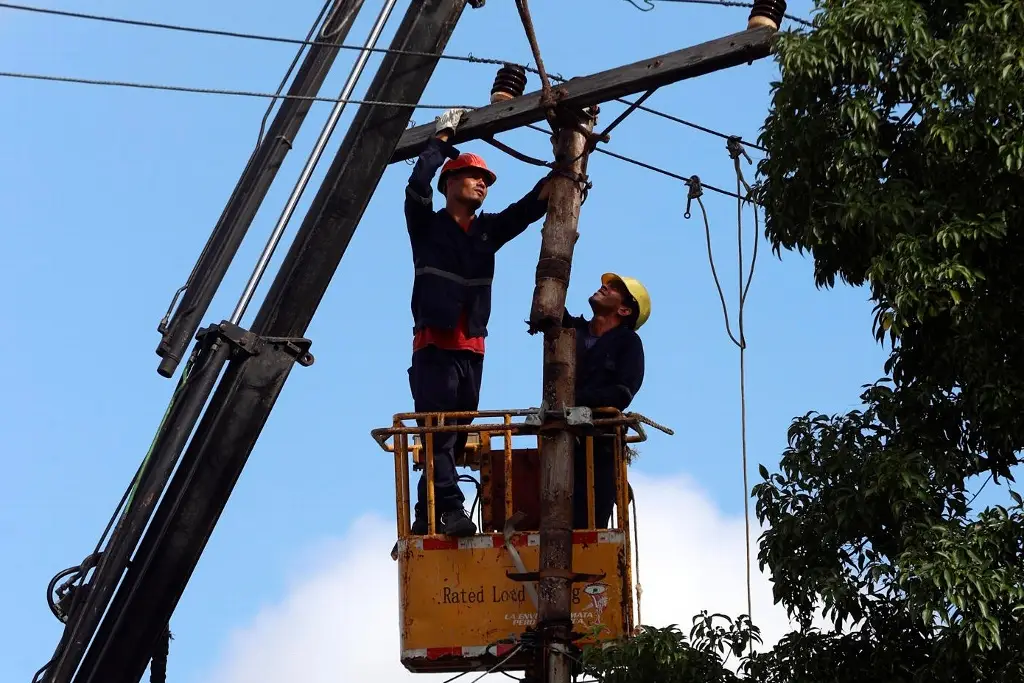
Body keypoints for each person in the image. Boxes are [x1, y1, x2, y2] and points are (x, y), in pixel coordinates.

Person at [405, 107, 552, 537]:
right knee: (441, 433)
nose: (482, 184)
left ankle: (425, 513)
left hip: (471, 349)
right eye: (474, 177)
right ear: (449, 184)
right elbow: (415, 187)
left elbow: (523, 213)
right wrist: (441, 140)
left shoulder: (486, 232)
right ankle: (449, 509)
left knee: (452, 434)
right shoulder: (427, 227)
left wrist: (558, 179)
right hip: (434, 347)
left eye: (486, 181)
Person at [562, 272, 650, 530]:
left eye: (613, 288)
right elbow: (547, 308)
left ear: (624, 309)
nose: (603, 286)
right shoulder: (570, 329)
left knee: (587, 525)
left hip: (599, 446)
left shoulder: (627, 343)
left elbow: (621, 393)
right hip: (559, 440)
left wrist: (577, 401)